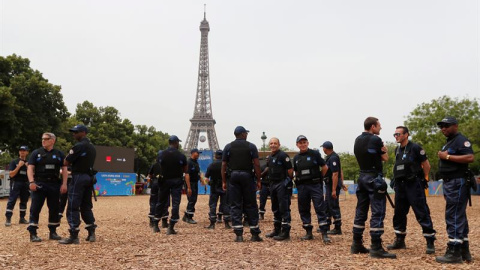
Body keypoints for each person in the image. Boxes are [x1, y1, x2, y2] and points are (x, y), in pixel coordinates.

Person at [387, 126, 436, 254]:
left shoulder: (415, 148)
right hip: (400, 186)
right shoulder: (397, 150)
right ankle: (399, 240)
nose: (396, 136)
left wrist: (423, 179)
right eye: (395, 134)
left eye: (398, 134)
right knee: (399, 214)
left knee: (421, 212)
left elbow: (426, 165)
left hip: (414, 185)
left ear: (406, 135)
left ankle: (430, 241)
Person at [351, 117, 395, 258]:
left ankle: (356, 243)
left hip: (362, 177)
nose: (380, 128)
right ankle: (376, 247)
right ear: (373, 126)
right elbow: (385, 158)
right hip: (374, 178)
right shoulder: (376, 140)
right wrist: (384, 150)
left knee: (361, 210)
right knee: (377, 211)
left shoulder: (357, 139)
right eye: (379, 125)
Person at [435, 117, 475, 264]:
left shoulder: (460, 140)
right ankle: (464, 249)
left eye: (446, 125)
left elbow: (470, 157)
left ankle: (454, 251)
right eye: (441, 126)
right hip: (450, 183)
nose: (443, 128)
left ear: (455, 126)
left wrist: (448, 156)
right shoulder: (450, 142)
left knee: (454, 215)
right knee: (458, 214)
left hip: (457, 182)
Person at [221, 126, 262, 242]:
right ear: (243, 134)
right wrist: (259, 180)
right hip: (247, 176)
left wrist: (224, 181)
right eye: (246, 133)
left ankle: (239, 234)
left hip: (233, 176)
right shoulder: (251, 146)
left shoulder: (228, 147)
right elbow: (256, 164)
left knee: (235, 205)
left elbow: (223, 165)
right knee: (251, 204)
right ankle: (254, 233)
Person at [59, 125, 97, 244]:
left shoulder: (78, 146)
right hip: (89, 178)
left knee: (72, 206)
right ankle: (91, 233)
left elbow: (66, 161)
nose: (73, 134)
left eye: (76, 132)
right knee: (86, 205)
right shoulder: (92, 147)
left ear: (84, 133)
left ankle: (74, 235)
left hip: (78, 177)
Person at [27, 133, 68, 242]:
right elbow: (30, 168)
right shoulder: (36, 153)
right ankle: (33, 232)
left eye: (46, 139)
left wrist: (64, 184)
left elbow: (64, 169)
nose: (43, 141)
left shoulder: (59, 154)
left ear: (53, 140)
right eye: (42, 139)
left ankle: (53, 231)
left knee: (54, 208)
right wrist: (31, 182)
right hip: (39, 183)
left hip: (54, 184)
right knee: (35, 208)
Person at [293, 135, 330, 243]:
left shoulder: (315, 154)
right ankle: (308, 232)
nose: (303, 144)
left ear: (308, 143)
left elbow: (325, 167)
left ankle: (324, 233)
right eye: (300, 143)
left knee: (320, 207)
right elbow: (296, 172)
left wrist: (319, 178)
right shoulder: (296, 158)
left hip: (314, 185)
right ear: (297, 145)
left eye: (304, 142)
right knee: (303, 208)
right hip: (302, 186)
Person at [154, 135, 191, 235]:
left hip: (164, 180)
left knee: (161, 202)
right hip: (176, 181)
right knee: (175, 203)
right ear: (176, 143)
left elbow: (158, 167)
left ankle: (156, 224)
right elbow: (185, 170)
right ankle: (171, 226)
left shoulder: (161, 154)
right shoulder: (181, 156)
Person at [265, 137, 293, 241]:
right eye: (271, 143)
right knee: (275, 207)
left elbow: (290, 170)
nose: (273, 145)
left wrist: (287, 181)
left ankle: (285, 232)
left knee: (284, 207)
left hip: (281, 183)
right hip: (273, 184)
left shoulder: (283, 155)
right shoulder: (270, 157)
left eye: (275, 143)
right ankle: (277, 229)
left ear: (279, 145)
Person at [321, 141, 344, 235]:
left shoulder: (333, 157)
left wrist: (334, 189)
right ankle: (326, 226)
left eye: (323, 147)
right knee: (327, 205)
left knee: (333, 205)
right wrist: (342, 182)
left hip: (332, 185)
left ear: (325, 148)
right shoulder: (330, 157)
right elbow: (340, 170)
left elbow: (335, 173)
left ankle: (337, 227)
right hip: (329, 184)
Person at [205, 149, 231, 229]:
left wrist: (209, 183)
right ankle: (227, 223)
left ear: (215, 156)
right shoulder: (226, 165)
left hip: (214, 186)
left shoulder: (211, 165)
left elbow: (206, 178)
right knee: (225, 204)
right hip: (224, 186)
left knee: (213, 205)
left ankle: (212, 223)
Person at [5, 146, 30, 226]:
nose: (22, 152)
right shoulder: (14, 161)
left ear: (27, 152)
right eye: (21, 150)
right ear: (19, 152)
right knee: (12, 200)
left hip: (25, 183)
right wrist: (18, 166)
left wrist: (27, 167)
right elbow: (11, 174)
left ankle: (22, 218)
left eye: (24, 150)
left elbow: (33, 174)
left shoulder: (29, 163)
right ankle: (8, 218)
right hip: (16, 182)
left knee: (24, 200)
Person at [183, 148, 204, 224]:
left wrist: (201, 179)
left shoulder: (196, 163)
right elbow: (187, 175)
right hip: (190, 183)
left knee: (194, 199)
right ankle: (189, 217)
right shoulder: (189, 163)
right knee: (191, 199)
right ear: (192, 153)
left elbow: (198, 173)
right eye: (197, 153)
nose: (198, 154)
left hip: (195, 183)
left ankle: (186, 216)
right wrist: (188, 187)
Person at [258, 156, 270, 220]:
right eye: (266, 159)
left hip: (273, 185)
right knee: (262, 200)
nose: (267, 160)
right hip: (264, 184)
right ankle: (261, 213)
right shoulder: (263, 167)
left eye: (269, 159)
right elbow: (259, 176)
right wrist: (265, 171)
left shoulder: (275, 166)